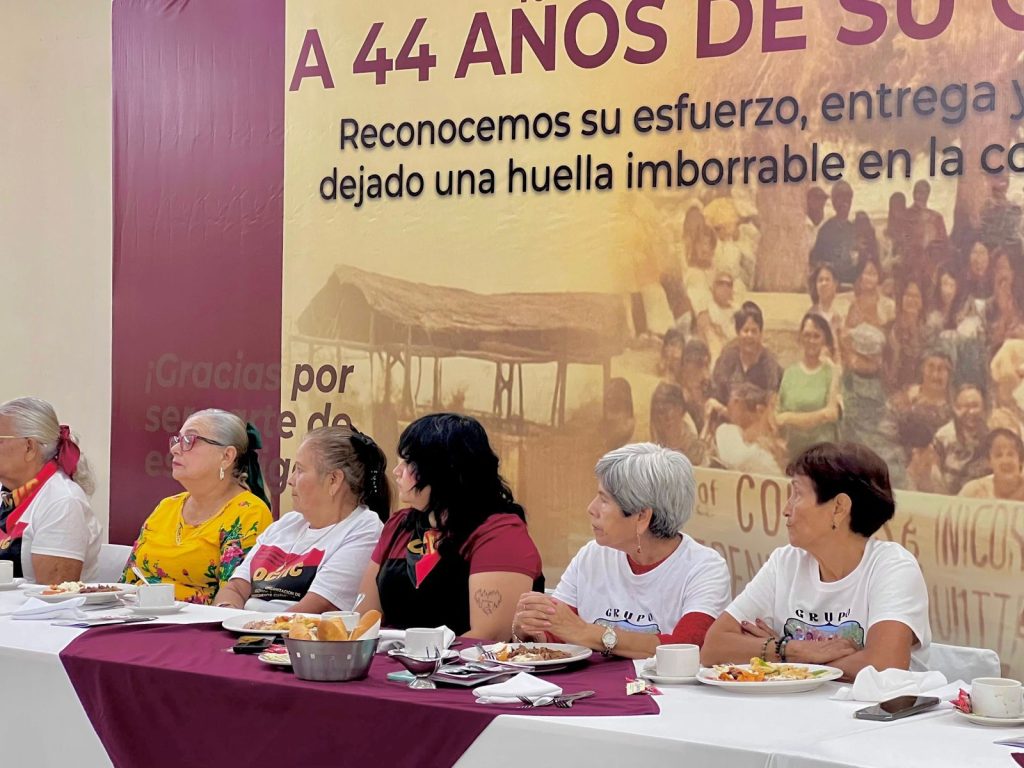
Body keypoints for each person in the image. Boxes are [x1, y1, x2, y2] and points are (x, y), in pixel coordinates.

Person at [700, 442, 931, 681]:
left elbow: (884, 667)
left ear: (839, 508)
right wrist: (791, 649)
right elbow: (713, 648)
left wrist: (784, 658)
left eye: (798, 494)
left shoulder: (892, 567)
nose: (786, 509)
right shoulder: (785, 562)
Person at [511, 443, 731, 659]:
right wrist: (530, 631)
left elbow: (686, 647)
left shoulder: (704, 568)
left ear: (642, 516)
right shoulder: (592, 555)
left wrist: (586, 632)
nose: (591, 508)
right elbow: (559, 634)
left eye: (604, 500)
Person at [357, 413, 543, 639]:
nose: (397, 471)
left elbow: (490, 637)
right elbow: (366, 618)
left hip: (463, 660)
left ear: (444, 470)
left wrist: (414, 653)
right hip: (395, 657)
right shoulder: (398, 525)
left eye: (408, 463)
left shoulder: (499, 533)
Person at [213, 426, 388, 612]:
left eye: (300, 470)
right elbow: (235, 588)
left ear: (334, 480)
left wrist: (244, 624)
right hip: (246, 626)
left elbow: (314, 609)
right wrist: (227, 611)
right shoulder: (288, 523)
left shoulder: (363, 528)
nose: (290, 480)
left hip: (290, 630)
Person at [122, 409, 273, 603]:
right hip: (135, 613)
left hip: (198, 619)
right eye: (177, 440)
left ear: (226, 456)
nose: (175, 449)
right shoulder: (167, 506)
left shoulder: (248, 513)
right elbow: (126, 582)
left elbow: (231, 599)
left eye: (189, 440)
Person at [0, 397, 101, 583]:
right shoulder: (7, 492)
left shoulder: (63, 501)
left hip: (33, 603)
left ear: (29, 447)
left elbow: (53, 592)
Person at [776, 313, 840, 460]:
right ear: (800, 338)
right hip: (793, 453)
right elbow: (778, 415)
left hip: (822, 455)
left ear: (825, 340)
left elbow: (831, 413)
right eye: (807, 335)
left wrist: (789, 418)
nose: (811, 341)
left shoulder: (831, 373)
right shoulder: (790, 373)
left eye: (816, 336)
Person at [710, 301, 782, 407]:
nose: (749, 336)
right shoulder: (727, 359)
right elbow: (716, 394)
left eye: (754, 331)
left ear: (761, 333)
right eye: (745, 330)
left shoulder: (770, 364)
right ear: (738, 333)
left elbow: (773, 400)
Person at [714, 383, 785, 476]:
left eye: (736, 400)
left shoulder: (727, 433)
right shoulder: (729, 432)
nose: (729, 405)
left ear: (760, 410)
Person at [934, 384, 989, 494]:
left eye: (975, 406)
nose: (971, 412)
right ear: (955, 408)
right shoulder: (942, 437)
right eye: (965, 406)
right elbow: (935, 475)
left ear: (983, 408)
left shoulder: (991, 436)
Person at [810, 181, 857, 284]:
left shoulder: (855, 230)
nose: (845, 201)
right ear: (834, 202)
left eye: (848, 197)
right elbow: (815, 261)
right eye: (840, 197)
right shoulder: (825, 231)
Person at [959, 428, 1024, 501]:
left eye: (1010, 454)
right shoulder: (973, 491)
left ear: (1020, 460)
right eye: (998, 455)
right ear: (989, 462)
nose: (1005, 461)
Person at [887, 280, 928, 393]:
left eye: (916, 296)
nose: (911, 300)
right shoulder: (889, 329)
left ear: (922, 301)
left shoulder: (928, 334)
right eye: (908, 295)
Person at [808, 263, 846, 344]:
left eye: (827, 280)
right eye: (820, 280)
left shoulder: (840, 316)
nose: (823, 283)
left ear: (835, 284)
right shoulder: (812, 315)